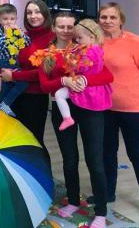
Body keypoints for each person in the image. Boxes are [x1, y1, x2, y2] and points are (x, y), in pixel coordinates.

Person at [39, 12, 113, 228]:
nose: (65, 30)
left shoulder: (86, 49)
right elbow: (44, 85)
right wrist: (63, 81)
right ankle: (73, 201)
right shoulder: (47, 54)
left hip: (90, 108)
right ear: (54, 28)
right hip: (64, 109)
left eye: (69, 27)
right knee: (69, 159)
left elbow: (108, 76)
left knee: (95, 161)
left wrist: (84, 79)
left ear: (76, 29)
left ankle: (101, 212)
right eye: (60, 26)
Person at [98, 2, 139, 225]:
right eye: (103, 17)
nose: (107, 21)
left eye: (112, 17)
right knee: (106, 154)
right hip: (105, 109)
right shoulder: (95, 43)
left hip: (135, 110)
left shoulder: (136, 43)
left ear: (121, 20)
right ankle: (108, 193)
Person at [0, 0, 55, 154]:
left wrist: (14, 76)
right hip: (16, 94)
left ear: (45, 14)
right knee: (18, 140)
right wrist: (3, 69)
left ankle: (42, 170)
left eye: (37, 12)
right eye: (29, 12)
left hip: (35, 97)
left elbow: (43, 72)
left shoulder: (52, 39)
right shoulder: (23, 35)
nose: (33, 16)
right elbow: (9, 57)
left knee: (34, 141)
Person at [54, 19, 110, 131]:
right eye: (77, 38)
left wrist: (71, 62)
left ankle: (67, 118)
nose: (78, 41)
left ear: (92, 37)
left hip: (84, 85)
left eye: (80, 38)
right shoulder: (97, 50)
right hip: (89, 85)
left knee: (59, 94)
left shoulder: (89, 51)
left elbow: (84, 66)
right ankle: (67, 118)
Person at [0, 3, 31, 116]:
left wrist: (21, 35)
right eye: (5, 19)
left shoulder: (17, 30)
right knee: (23, 82)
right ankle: (5, 103)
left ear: (16, 18)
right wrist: (6, 35)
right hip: (4, 61)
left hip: (15, 61)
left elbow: (28, 44)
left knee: (6, 88)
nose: (9, 22)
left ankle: (0, 108)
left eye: (12, 19)